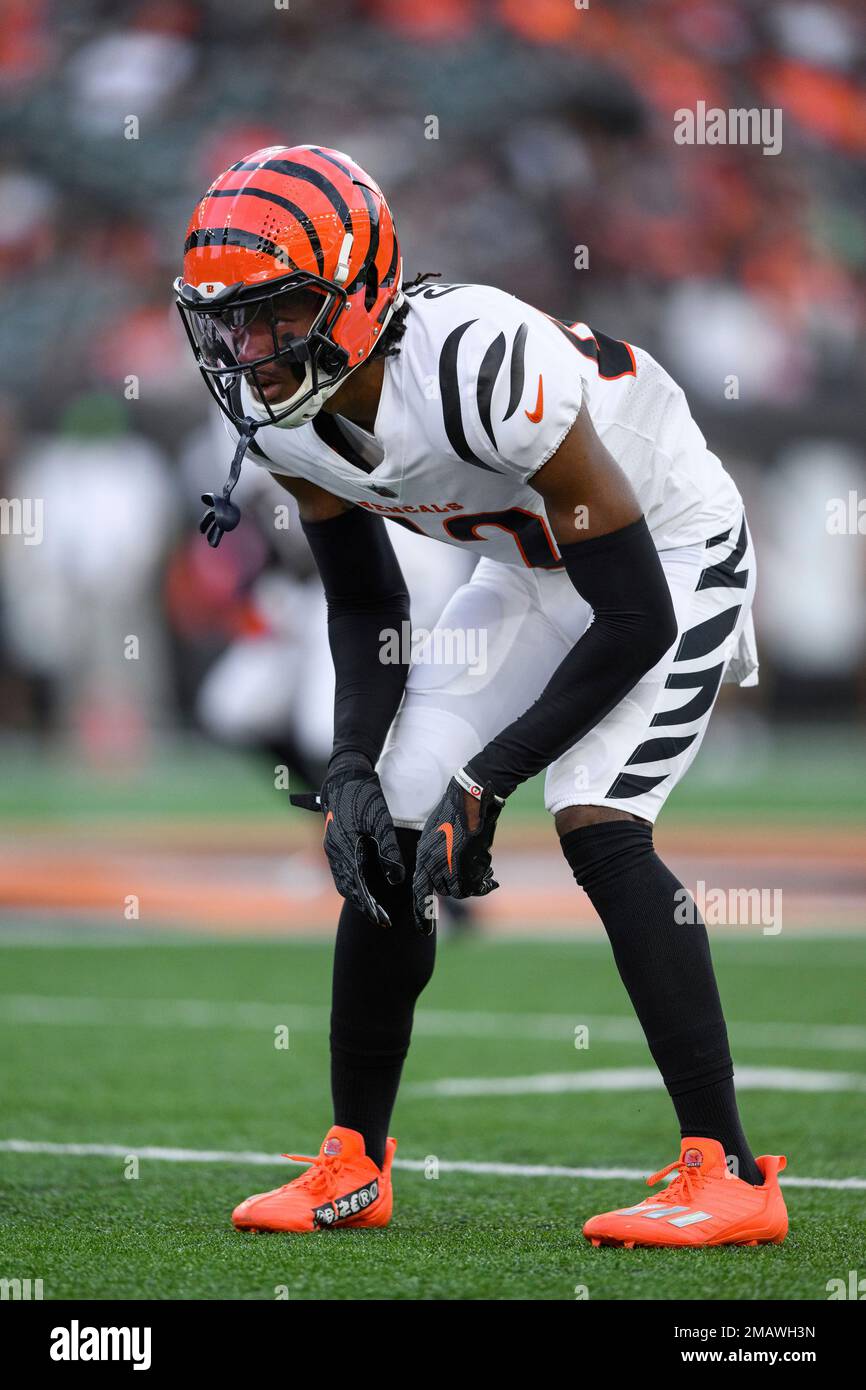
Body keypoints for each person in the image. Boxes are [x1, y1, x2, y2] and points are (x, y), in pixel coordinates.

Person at [173, 144, 787, 1247]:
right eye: (231, 321)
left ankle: (730, 1173)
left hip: (669, 552)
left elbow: (636, 617)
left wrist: (489, 778)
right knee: (389, 821)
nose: (250, 350)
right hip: (526, 569)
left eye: (277, 314)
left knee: (597, 820)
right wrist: (350, 761)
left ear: (357, 294)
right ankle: (354, 1160)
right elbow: (364, 606)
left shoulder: (479, 361)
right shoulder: (286, 416)